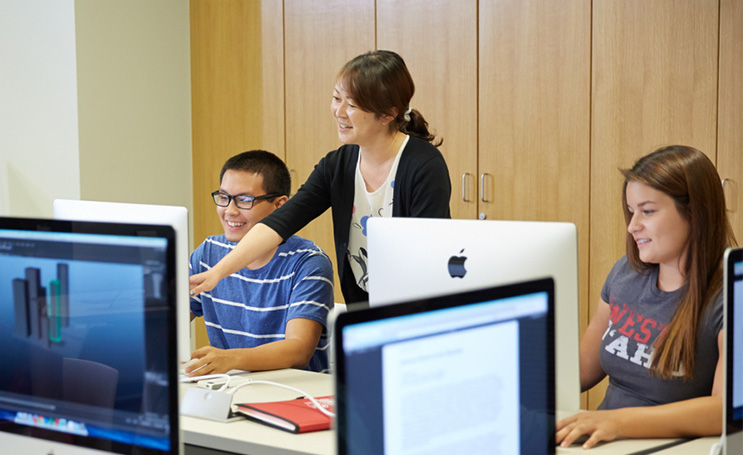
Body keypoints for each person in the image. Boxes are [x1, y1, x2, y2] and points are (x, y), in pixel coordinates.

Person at [189, 50, 451, 303]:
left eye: (352, 105)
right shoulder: (337, 166)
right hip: (363, 301)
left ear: (388, 114)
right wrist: (217, 273)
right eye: (337, 99)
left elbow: (429, 256)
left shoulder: (423, 165)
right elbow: (280, 223)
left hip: (419, 307)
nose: (339, 112)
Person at [556, 145, 738, 448]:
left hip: (669, 447)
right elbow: (582, 369)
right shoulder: (625, 273)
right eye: (631, 211)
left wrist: (617, 422)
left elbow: (723, 411)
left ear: (695, 211)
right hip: (603, 441)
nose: (632, 226)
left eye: (648, 211)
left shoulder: (729, 297)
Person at [186, 150, 334, 376]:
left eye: (245, 200)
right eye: (224, 197)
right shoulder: (208, 253)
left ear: (280, 205)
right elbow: (167, 321)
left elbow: (299, 350)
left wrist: (230, 359)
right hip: (231, 390)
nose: (230, 211)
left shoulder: (308, 262)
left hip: (295, 395)